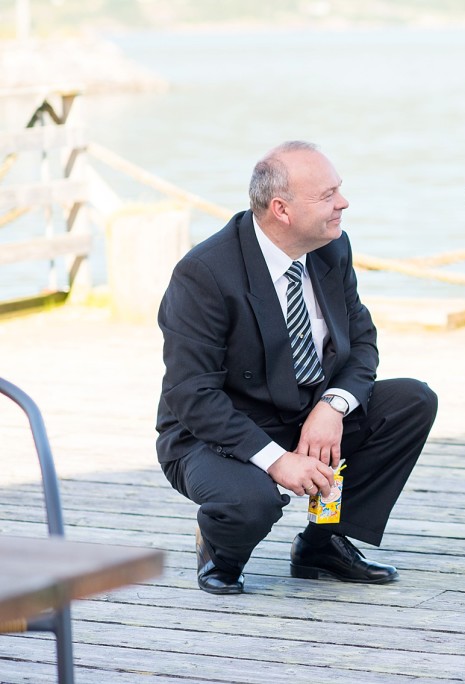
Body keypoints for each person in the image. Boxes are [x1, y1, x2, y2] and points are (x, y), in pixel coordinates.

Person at [156, 140, 437, 595]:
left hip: (305, 410)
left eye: (338, 190)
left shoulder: (331, 248)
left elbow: (361, 342)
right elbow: (192, 395)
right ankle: (220, 550)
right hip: (214, 431)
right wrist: (277, 460)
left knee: (412, 401)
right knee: (251, 502)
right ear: (281, 210)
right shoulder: (204, 273)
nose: (343, 203)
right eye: (327, 195)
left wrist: (332, 406)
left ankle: (322, 544)